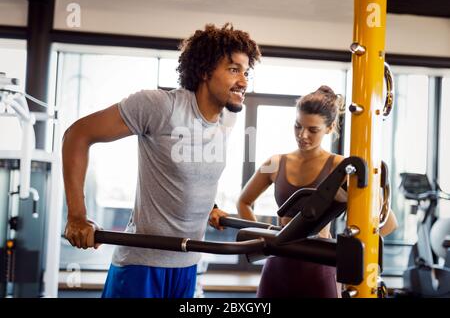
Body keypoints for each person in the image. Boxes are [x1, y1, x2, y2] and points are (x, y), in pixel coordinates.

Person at [62, 23, 261, 298]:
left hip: (189, 261)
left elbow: (194, 168)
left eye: (246, 71)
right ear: (204, 71)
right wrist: (77, 217)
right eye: (233, 69)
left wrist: (210, 207)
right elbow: (77, 135)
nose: (244, 81)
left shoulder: (228, 116)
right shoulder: (160, 106)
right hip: (142, 265)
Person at [237, 85, 398, 298]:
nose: (302, 135)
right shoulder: (275, 163)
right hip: (278, 266)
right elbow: (243, 202)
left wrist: (345, 248)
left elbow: (388, 223)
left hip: (319, 268)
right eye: (297, 126)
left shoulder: (343, 168)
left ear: (330, 128)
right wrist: (263, 238)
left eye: (313, 130)